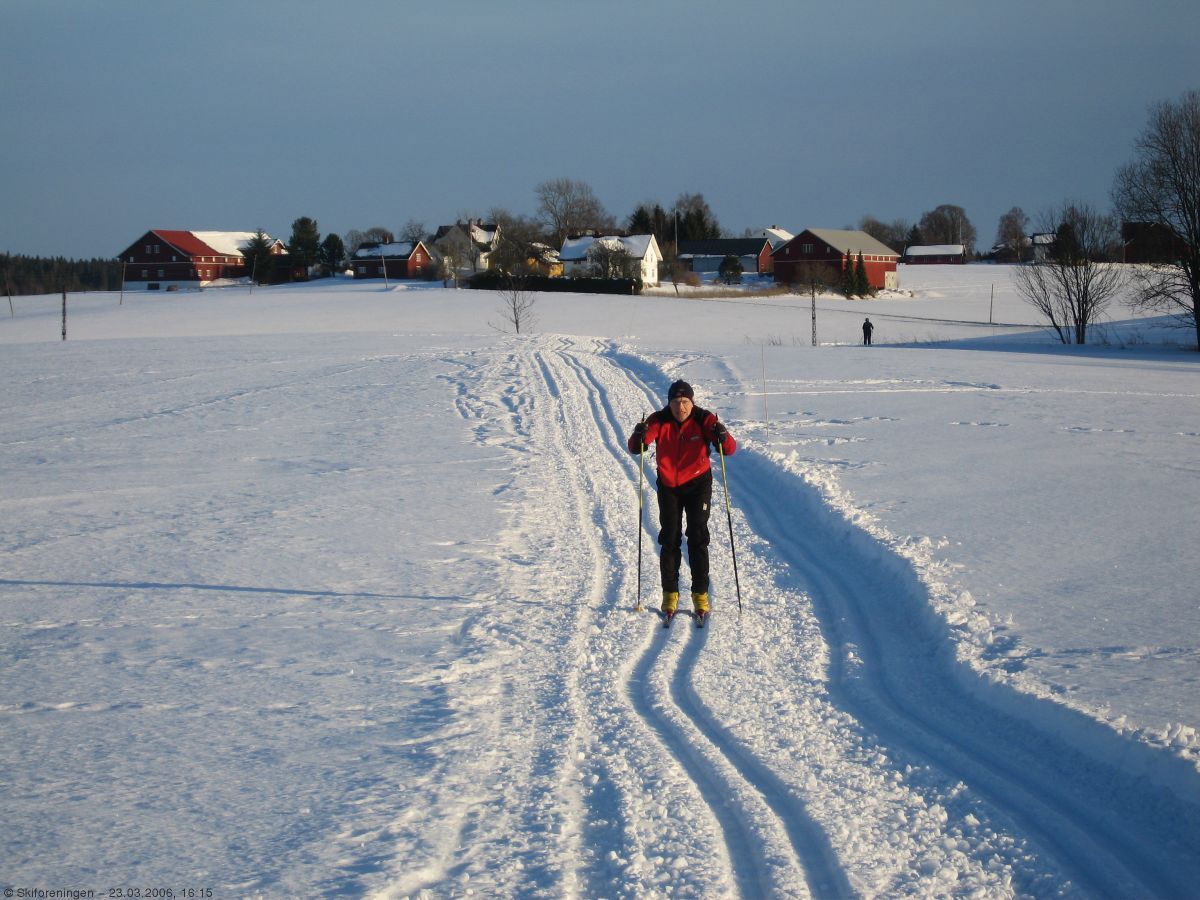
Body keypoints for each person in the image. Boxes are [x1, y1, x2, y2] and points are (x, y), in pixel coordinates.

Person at [627, 380, 736, 620]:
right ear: (669, 403)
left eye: (685, 402)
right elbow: (636, 448)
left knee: (697, 537)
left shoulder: (704, 419)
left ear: (692, 401)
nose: (681, 407)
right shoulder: (659, 419)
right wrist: (639, 435)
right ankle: (670, 594)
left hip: (698, 484)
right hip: (669, 487)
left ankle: (700, 595)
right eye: (676, 402)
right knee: (670, 538)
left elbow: (728, 449)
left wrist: (722, 434)